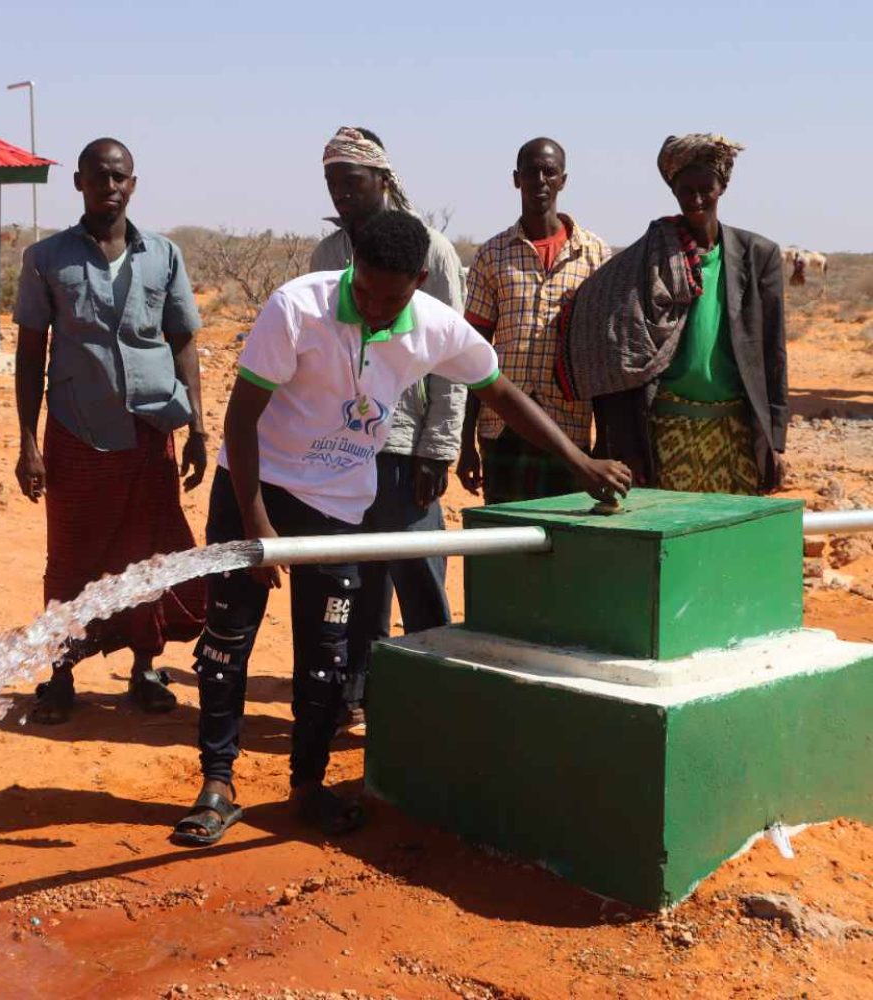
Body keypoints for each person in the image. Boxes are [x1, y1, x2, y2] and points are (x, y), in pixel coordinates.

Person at [172, 211, 631, 847]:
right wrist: (256, 523)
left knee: (327, 651)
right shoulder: (297, 308)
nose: (376, 309)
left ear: (419, 280)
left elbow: (501, 393)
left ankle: (308, 785)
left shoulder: (435, 325)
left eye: (392, 298)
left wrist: (579, 464)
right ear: (351, 265)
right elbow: (242, 417)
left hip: (339, 505)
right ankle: (217, 783)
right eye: (363, 292)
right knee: (228, 639)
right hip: (256, 486)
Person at [13, 137, 209, 724]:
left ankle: (145, 668)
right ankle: (61, 671)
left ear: (134, 183)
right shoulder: (46, 260)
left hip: (152, 431)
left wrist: (199, 426)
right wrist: (26, 441)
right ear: (78, 183)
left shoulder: (164, 255)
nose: (111, 187)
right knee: (71, 554)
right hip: (77, 432)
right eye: (99, 177)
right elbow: (30, 353)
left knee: (149, 555)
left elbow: (185, 341)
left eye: (121, 177)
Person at [310, 126, 466, 723]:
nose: (341, 194)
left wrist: (439, 445)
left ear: (382, 179)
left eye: (351, 181)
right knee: (354, 579)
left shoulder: (434, 250)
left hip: (407, 441)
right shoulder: (326, 257)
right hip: (343, 446)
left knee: (419, 572)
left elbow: (455, 357)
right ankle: (359, 693)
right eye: (331, 182)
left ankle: (438, 697)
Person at [556, 133, 787, 494]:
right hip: (666, 430)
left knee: (729, 540)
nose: (695, 199)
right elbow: (618, 349)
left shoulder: (759, 255)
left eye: (704, 188)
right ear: (674, 191)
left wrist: (776, 440)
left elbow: (773, 354)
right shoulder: (649, 258)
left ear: (721, 187)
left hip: (739, 430)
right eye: (685, 190)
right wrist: (625, 444)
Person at [458, 137, 611, 504]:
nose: (540, 180)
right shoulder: (493, 255)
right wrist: (466, 443)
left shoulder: (593, 255)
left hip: (569, 426)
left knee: (562, 544)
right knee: (506, 542)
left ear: (563, 180)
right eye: (531, 171)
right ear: (516, 179)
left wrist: (604, 439)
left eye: (549, 171)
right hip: (501, 429)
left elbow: (604, 358)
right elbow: (472, 354)